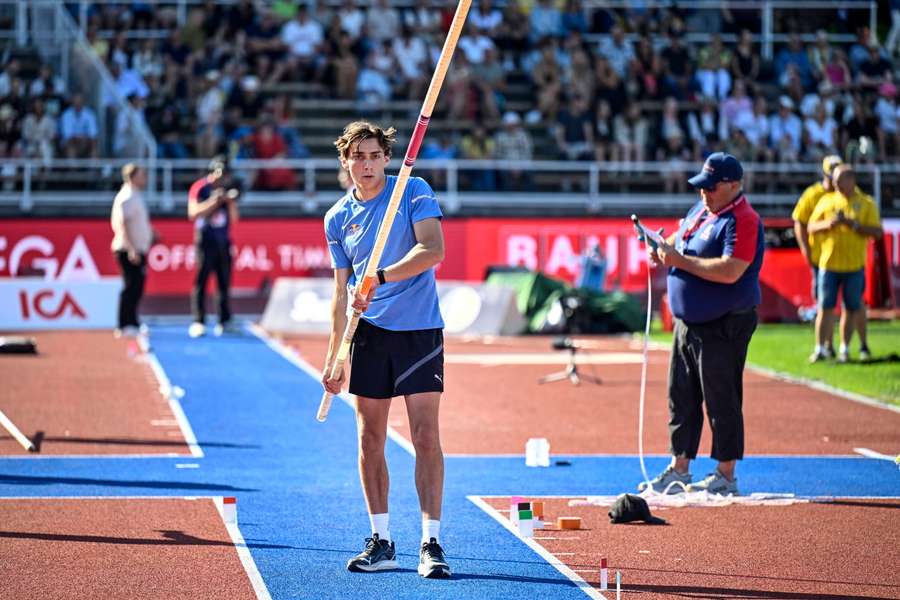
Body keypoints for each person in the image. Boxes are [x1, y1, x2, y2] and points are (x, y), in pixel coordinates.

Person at [321, 121, 450, 578]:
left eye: (374, 155)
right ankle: (382, 540)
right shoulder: (337, 218)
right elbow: (340, 294)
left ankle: (431, 542)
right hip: (369, 334)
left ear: (386, 158)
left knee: (424, 436)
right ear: (345, 162)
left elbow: (433, 250)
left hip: (418, 331)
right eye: (358, 157)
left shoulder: (412, 191)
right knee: (368, 438)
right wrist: (335, 355)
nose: (367, 164)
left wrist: (381, 276)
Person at [640, 152, 764, 496]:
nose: (704, 193)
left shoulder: (743, 219)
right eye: (702, 187)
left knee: (721, 396)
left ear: (734, 185)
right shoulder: (701, 211)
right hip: (688, 321)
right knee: (680, 395)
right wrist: (664, 251)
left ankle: (725, 474)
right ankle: (680, 468)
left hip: (724, 322)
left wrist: (679, 260)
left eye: (711, 187)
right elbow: (681, 245)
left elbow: (731, 269)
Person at [807, 165, 883, 363]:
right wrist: (828, 224)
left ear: (851, 180)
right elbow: (811, 226)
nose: (835, 183)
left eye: (839, 179)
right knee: (825, 307)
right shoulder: (827, 200)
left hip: (854, 266)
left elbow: (877, 232)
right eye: (834, 180)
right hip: (828, 264)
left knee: (851, 309)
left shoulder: (866, 203)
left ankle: (844, 348)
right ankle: (820, 348)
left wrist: (853, 225)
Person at [793, 155, 842, 361]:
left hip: (841, 256)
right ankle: (824, 345)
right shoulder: (813, 194)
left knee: (837, 304)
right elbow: (799, 221)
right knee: (824, 303)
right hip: (820, 257)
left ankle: (831, 345)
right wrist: (806, 250)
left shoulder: (846, 195)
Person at [187, 156, 240, 337]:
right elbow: (193, 213)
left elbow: (234, 219)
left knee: (224, 282)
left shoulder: (226, 189)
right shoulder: (201, 187)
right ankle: (198, 320)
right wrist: (213, 202)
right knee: (201, 281)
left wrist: (230, 202)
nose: (222, 178)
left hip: (223, 241)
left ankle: (224, 320)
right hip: (205, 240)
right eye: (220, 174)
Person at [110, 163, 153, 338]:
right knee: (130, 286)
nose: (145, 178)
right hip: (129, 249)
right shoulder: (127, 196)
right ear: (133, 176)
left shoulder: (135, 195)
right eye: (142, 174)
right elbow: (123, 224)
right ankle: (124, 324)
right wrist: (131, 249)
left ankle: (133, 321)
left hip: (137, 248)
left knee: (137, 287)